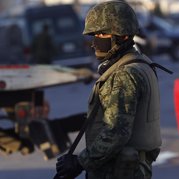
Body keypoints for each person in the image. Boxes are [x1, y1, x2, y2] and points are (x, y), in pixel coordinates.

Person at [55, 1, 163, 179]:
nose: (96, 40)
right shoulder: (141, 64)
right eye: (95, 34)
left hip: (118, 171)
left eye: (103, 33)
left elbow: (116, 131)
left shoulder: (124, 74)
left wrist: (80, 162)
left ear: (124, 36)